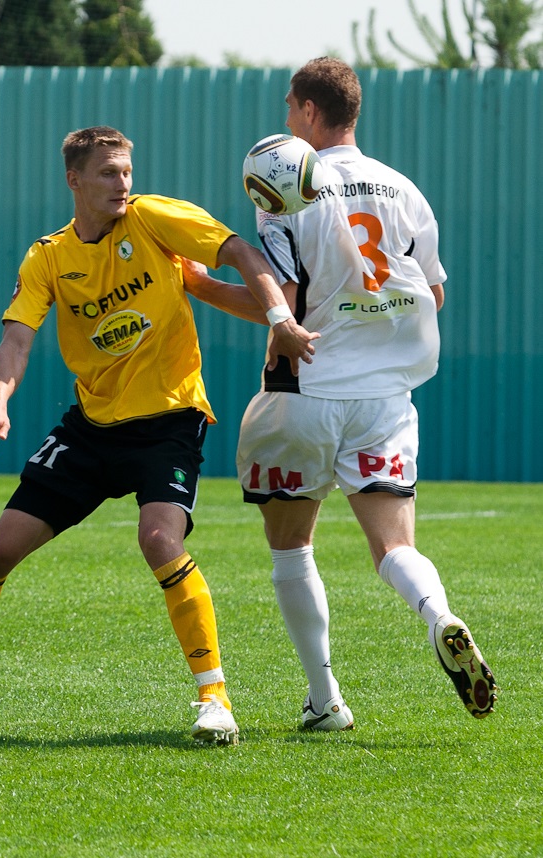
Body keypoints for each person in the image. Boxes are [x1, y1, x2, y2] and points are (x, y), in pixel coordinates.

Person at [0, 124, 318, 745]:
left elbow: (242, 254)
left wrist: (281, 318)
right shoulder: (49, 256)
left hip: (169, 421)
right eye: (108, 173)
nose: (122, 184)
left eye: (127, 172)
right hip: (90, 428)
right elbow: (16, 338)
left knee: (159, 539)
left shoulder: (156, 218)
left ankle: (214, 697)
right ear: (74, 180)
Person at [182, 58, 497, 730]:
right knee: (392, 549)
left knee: (292, 548)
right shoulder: (402, 188)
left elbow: (283, 304)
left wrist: (202, 286)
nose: (285, 119)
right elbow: (433, 294)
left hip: (304, 391)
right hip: (384, 398)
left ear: (308, 112)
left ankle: (325, 699)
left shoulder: (285, 181)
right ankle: (438, 614)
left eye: (289, 108)